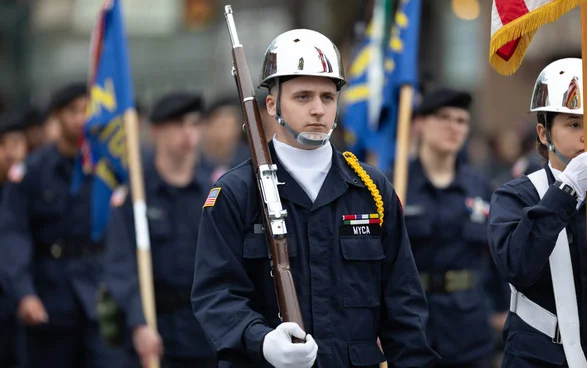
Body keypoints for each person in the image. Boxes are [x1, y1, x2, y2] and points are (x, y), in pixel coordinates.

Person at [191, 29, 439, 367]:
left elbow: (404, 303)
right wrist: (260, 339)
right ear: (272, 104)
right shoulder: (236, 192)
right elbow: (216, 294)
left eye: (327, 96)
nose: (319, 109)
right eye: (303, 97)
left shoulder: (370, 189)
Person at [0, 82, 124, 368]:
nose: (81, 119)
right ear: (57, 116)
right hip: (50, 297)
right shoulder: (33, 171)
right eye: (73, 111)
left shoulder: (108, 168)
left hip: (101, 296)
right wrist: (24, 292)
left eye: (87, 110)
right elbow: (13, 234)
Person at [488, 58, 587, 367]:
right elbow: (517, 265)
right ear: (543, 133)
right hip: (539, 356)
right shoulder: (515, 195)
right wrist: (567, 190)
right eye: (574, 124)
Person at [104, 92, 216, 368]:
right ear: (156, 131)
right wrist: (138, 324)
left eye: (194, 124)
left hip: (208, 332)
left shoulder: (216, 191)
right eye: (177, 124)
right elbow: (121, 267)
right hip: (155, 332)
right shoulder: (135, 194)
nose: (188, 134)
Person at [404, 88, 508, 367]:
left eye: (461, 121)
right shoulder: (396, 184)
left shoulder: (480, 186)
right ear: (420, 124)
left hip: (470, 321)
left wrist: (501, 307)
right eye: (444, 118)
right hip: (412, 320)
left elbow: (496, 249)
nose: (454, 127)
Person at [0, 113, 29, 368]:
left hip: (20, 301)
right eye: (4, 145)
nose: (12, 153)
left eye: (18, 144)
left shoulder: (29, 188)